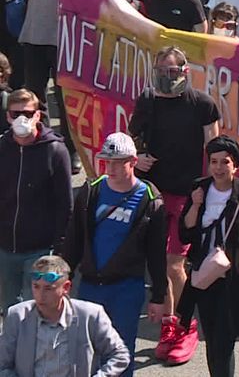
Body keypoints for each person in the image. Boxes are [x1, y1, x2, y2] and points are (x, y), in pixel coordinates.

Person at [128, 46, 220, 362]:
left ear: (184, 72)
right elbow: (133, 136)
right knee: (157, 263)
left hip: (186, 194)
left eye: (171, 72)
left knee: (173, 263)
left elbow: (216, 150)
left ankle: (186, 324)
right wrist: (137, 158)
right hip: (152, 192)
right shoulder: (148, 100)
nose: (165, 79)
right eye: (160, 72)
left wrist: (210, 193)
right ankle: (169, 325)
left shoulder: (202, 105)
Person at [64, 132, 168, 375]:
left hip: (126, 288)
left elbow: (156, 253)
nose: (110, 167)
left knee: (121, 353)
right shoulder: (91, 191)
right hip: (90, 285)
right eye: (107, 161)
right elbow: (74, 239)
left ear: (132, 162)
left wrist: (158, 296)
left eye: (117, 162)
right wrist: (62, 278)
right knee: (87, 352)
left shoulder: (150, 200)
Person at [177, 136, 239, 377]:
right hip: (205, 275)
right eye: (214, 162)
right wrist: (196, 205)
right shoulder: (199, 188)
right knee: (212, 338)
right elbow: (186, 232)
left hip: (234, 278)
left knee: (224, 339)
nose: (218, 168)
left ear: (235, 165)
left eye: (225, 162)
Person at [5, 0, 87, 169]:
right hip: (35, 33)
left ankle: (71, 150)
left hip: (63, 37)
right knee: (35, 95)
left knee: (64, 99)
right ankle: (41, 144)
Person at [0, 88, 72, 312]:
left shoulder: (55, 151)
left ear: (38, 115)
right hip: (4, 247)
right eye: (16, 113)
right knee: (11, 310)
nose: (22, 118)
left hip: (40, 248)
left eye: (28, 114)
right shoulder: (2, 147)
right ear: (8, 117)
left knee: (36, 311)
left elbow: (65, 203)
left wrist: (60, 246)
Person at [0, 255, 130, 376]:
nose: (40, 295)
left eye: (48, 288)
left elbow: (120, 355)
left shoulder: (90, 315)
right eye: (36, 287)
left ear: (66, 287)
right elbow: (2, 364)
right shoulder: (17, 316)